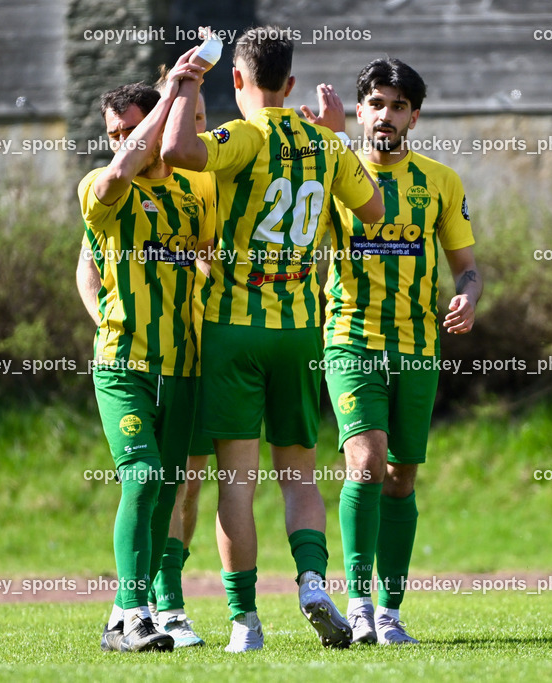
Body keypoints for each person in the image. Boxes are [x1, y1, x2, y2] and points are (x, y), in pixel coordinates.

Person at [161, 26, 384, 652]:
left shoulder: (243, 136)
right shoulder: (325, 143)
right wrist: (336, 139)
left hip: (233, 326)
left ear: (238, 81)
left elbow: (178, 151)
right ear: (290, 84)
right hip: (299, 330)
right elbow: (372, 212)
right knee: (300, 473)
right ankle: (314, 583)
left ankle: (245, 622)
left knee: (236, 480)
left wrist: (185, 84)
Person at [306, 58, 481, 645]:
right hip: (350, 338)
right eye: (376, 103)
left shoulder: (440, 181)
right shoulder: (334, 169)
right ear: (360, 110)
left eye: (398, 106)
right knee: (366, 464)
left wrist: (468, 298)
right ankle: (357, 604)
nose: (386, 115)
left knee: (401, 477)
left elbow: (469, 269)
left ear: (414, 116)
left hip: (417, 347)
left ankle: (390, 610)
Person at [76, 58, 215, 653]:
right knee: (142, 477)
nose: (118, 143)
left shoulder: (191, 193)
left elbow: (210, 258)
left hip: (182, 365)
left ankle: (131, 612)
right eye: (111, 133)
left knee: (168, 488)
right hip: (123, 366)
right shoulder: (99, 187)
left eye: (125, 130)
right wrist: (169, 98)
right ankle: (134, 615)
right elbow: (124, 169)